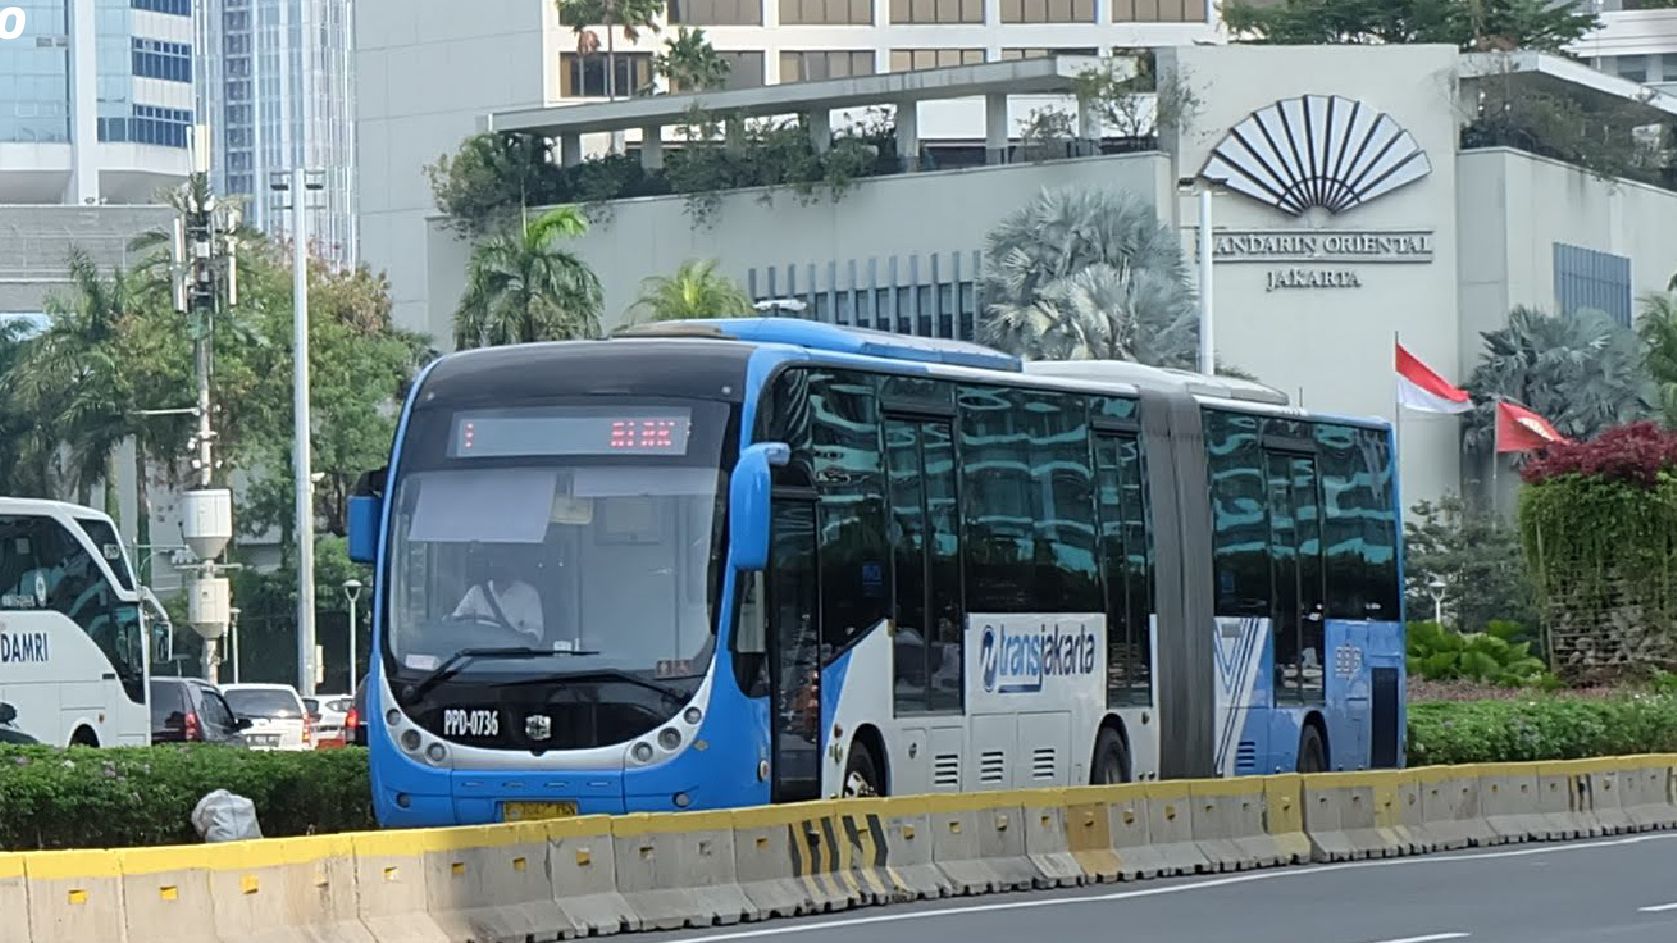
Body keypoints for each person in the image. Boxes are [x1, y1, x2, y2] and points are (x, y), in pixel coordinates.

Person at [453, 547, 544, 643]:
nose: (498, 565)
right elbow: (457, 622)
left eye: (502, 560)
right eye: (494, 561)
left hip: (513, 655)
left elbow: (534, 633)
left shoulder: (528, 594)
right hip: (478, 653)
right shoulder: (476, 593)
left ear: (512, 564)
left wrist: (518, 641)